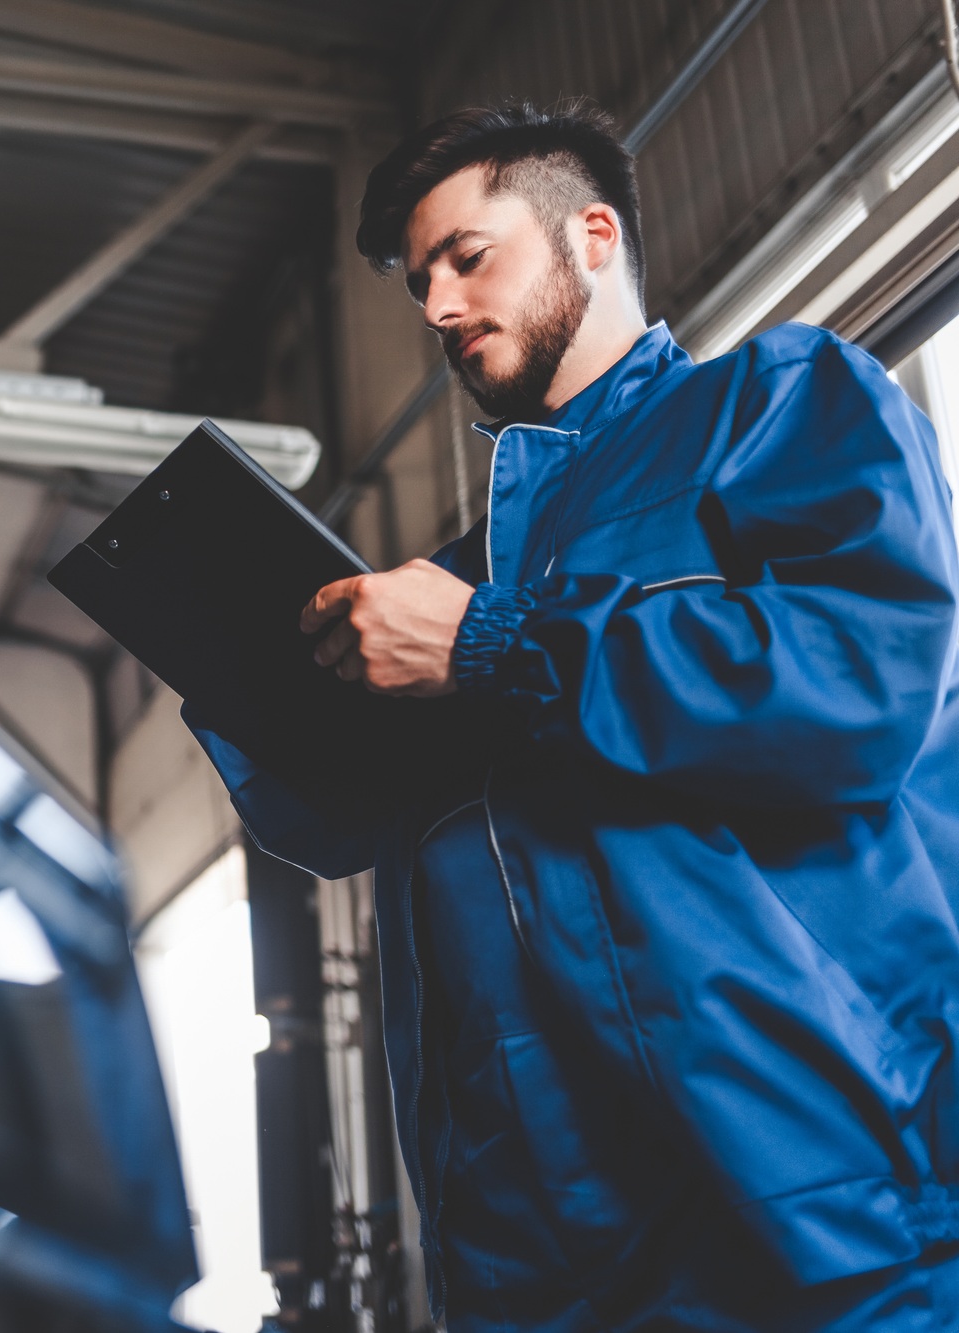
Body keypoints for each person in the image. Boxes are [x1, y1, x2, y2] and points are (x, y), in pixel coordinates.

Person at [186, 104, 959, 1329]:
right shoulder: (462, 574)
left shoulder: (773, 405)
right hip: (538, 1263)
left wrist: (493, 644)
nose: (436, 307)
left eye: (467, 258)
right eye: (418, 284)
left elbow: (857, 680)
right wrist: (240, 666)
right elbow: (345, 828)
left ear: (589, 234)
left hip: (808, 1217)